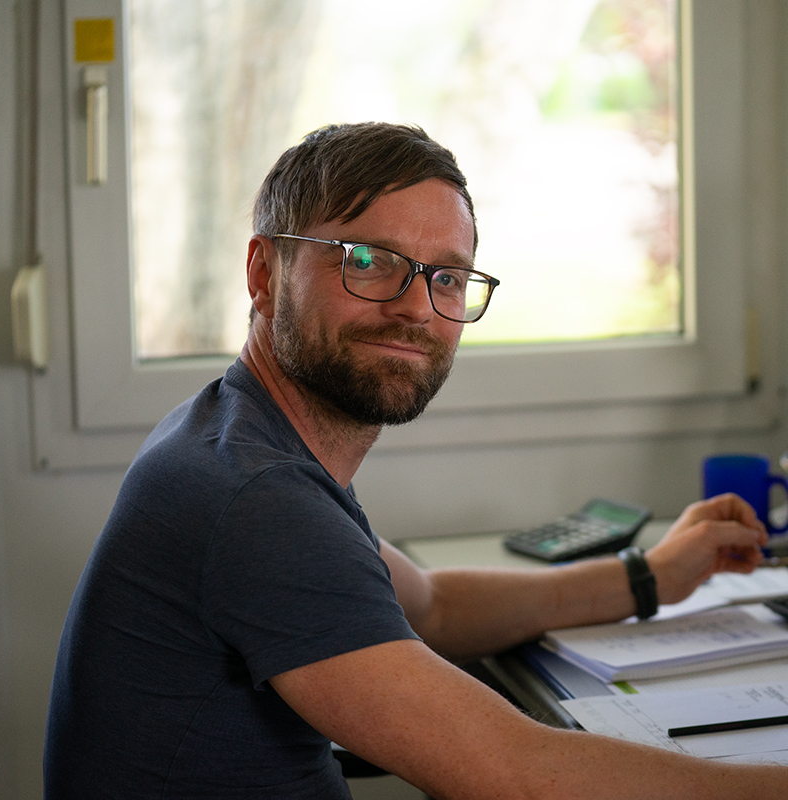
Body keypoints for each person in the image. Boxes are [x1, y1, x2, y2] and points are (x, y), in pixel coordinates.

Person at [44, 122, 787, 799]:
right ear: (264, 273)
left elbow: (432, 606)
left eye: (448, 277)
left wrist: (649, 576)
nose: (417, 308)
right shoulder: (254, 497)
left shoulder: (234, 436)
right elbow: (516, 776)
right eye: (368, 261)